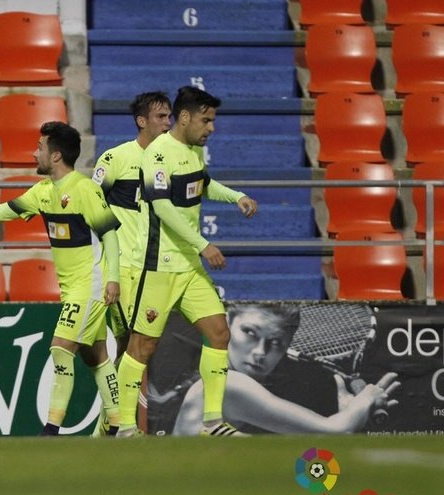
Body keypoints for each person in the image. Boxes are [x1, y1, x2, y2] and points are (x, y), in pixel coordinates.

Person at [0, 121, 122, 436]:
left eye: (40, 147)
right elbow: (1, 211)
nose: (34, 153)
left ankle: (51, 430)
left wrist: (113, 279)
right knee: (95, 355)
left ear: (55, 156)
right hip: (72, 287)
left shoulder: (84, 189)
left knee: (60, 348)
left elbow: (110, 236)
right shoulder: (43, 192)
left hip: (91, 283)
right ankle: (119, 425)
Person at [115, 86, 258, 439]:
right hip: (158, 266)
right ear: (185, 117)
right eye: (206, 120)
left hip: (189, 268)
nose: (211, 128)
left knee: (220, 333)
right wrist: (204, 244)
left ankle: (211, 422)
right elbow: (163, 208)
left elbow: (203, 186)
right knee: (142, 346)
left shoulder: (192, 152)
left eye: (212, 121)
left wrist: (236, 196)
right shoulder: (158, 154)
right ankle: (125, 426)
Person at [172, 304, 401, 434]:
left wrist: (351, 417)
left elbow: (310, 469)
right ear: (227, 322)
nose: (260, 352)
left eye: (276, 343)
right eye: (250, 333)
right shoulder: (226, 385)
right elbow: (335, 432)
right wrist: (366, 399)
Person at [89, 91, 173, 436]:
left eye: (169, 117)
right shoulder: (116, 158)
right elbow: (90, 202)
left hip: (153, 267)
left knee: (134, 349)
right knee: (129, 345)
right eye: (161, 117)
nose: (167, 123)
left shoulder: (172, 160)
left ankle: (109, 428)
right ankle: (117, 427)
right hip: (121, 266)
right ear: (142, 121)